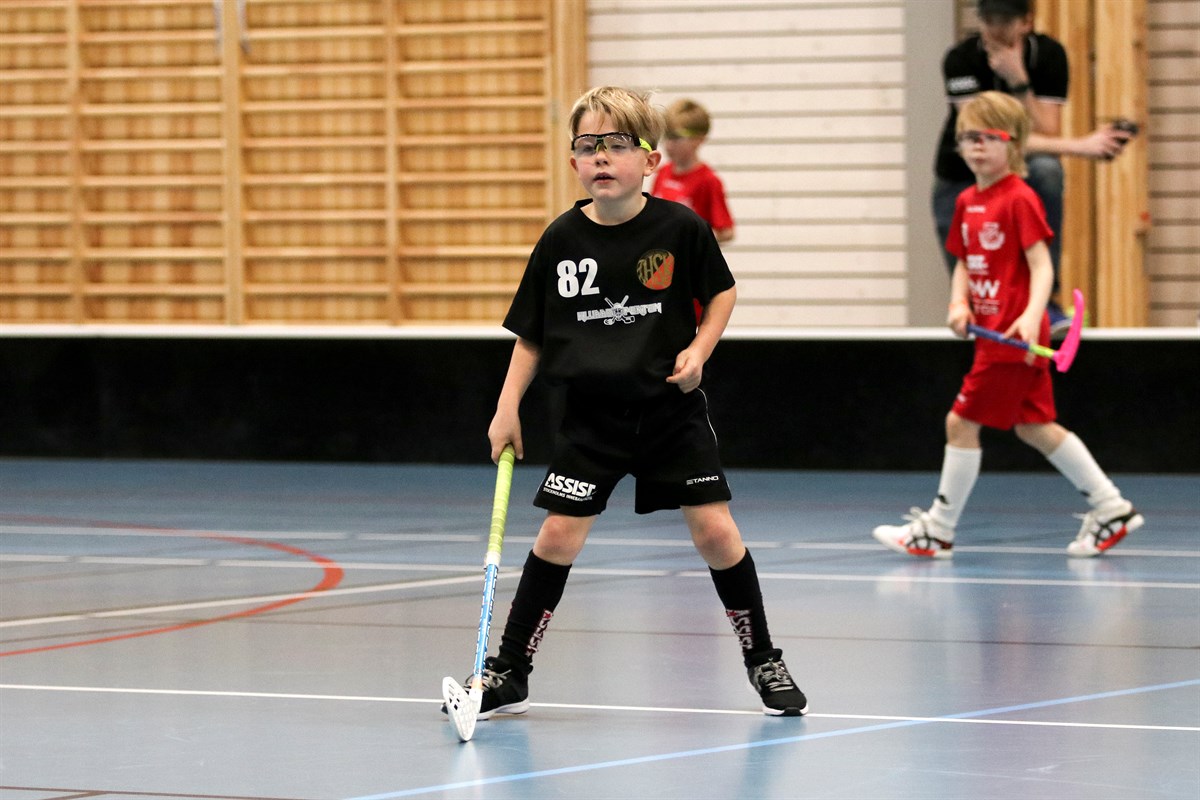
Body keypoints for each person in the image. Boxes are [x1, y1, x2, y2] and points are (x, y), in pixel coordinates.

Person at [449, 85, 808, 720]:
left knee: (716, 531)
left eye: (617, 143)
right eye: (588, 145)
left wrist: (699, 350)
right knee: (557, 534)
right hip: (592, 419)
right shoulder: (560, 239)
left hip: (670, 413)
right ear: (573, 162)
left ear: (650, 160)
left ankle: (763, 659)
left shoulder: (680, 228)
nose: (601, 156)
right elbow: (532, 335)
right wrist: (507, 409)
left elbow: (722, 292)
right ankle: (510, 669)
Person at [874, 91, 1143, 560]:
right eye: (968, 137)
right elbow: (964, 262)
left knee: (960, 423)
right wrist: (958, 303)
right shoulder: (966, 200)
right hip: (991, 335)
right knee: (1034, 426)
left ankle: (937, 530)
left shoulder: (1020, 198)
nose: (976, 146)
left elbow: (1041, 265)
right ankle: (1111, 507)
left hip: (1012, 337)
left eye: (989, 137)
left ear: (1014, 142)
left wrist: (1032, 314)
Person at [932, 0, 1135, 335]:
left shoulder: (1048, 56)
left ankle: (1044, 305)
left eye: (1005, 19)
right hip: (961, 177)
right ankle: (974, 309)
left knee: (1046, 170)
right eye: (988, 19)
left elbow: (1046, 131)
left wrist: (1019, 80)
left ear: (1026, 22)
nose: (995, 28)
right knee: (972, 273)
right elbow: (984, 135)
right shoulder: (961, 59)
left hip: (1017, 172)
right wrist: (1080, 146)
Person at [650, 98, 735, 244]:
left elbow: (726, 232)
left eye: (676, 138)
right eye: (666, 137)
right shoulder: (662, 172)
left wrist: (691, 240)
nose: (668, 145)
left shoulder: (708, 181)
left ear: (698, 139)